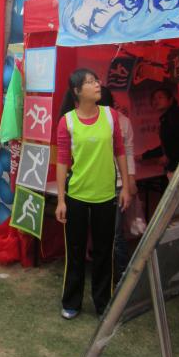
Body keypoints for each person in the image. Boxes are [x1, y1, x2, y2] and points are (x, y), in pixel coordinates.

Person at [55, 69, 131, 319]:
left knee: (103, 252)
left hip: (106, 195)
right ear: (77, 91)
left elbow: (119, 150)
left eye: (96, 80)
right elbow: (63, 161)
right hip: (76, 195)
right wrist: (61, 200)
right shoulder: (67, 121)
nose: (97, 84)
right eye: (90, 82)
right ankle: (71, 302)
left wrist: (126, 186)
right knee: (75, 252)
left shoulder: (110, 115)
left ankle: (102, 303)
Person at [100, 86, 138, 283]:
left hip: (117, 184)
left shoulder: (123, 122)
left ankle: (123, 275)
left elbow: (129, 152)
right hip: (96, 184)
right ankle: (104, 272)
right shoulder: (88, 121)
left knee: (115, 233)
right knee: (102, 232)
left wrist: (130, 180)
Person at [141, 86, 179, 178]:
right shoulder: (167, 117)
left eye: (160, 97)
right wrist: (145, 156)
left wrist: (169, 156)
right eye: (154, 99)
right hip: (177, 166)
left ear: (170, 100)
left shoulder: (176, 115)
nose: (156, 101)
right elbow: (168, 144)